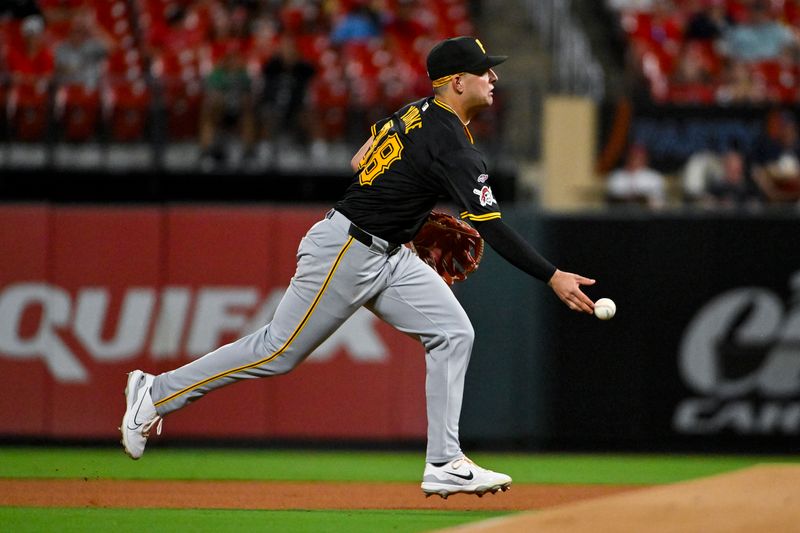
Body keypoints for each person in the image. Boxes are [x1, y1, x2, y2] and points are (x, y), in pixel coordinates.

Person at [120, 36, 596, 498]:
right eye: (483, 70)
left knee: (454, 333)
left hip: (389, 251)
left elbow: (360, 159)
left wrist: (403, 211)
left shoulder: (416, 111)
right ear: (455, 83)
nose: (493, 77)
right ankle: (155, 393)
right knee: (277, 351)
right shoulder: (452, 142)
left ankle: (444, 463)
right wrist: (551, 275)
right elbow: (491, 226)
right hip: (348, 248)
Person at [606, 143, 667, 208]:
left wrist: (643, 199)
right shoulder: (617, 176)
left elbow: (659, 202)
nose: (635, 159)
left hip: (647, 215)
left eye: (639, 157)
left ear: (645, 159)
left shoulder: (654, 177)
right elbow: (613, 199)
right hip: (621, 214)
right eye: (632, 156)